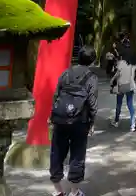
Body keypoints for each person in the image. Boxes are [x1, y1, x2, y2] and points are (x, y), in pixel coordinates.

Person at [49, 45, 99, 196]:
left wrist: (52, 115)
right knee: (77, 155)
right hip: (80, 122)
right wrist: (92, 122)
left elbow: (56, 95)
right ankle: (74, 191)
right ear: (92, 61)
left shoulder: (66, 73)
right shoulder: (92, 78)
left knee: (56, 152)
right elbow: (92, 103)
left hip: (61, 119)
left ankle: (58, 191)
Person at [110, 47, 136, 130]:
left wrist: (112, 80)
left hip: (121, 86)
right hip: (130, 86)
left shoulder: (121, 63)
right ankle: (132, 124)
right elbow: (133, 76)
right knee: (130, 105)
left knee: (119, 104)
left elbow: (117, 74)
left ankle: (117, 121)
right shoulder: (133, 65)